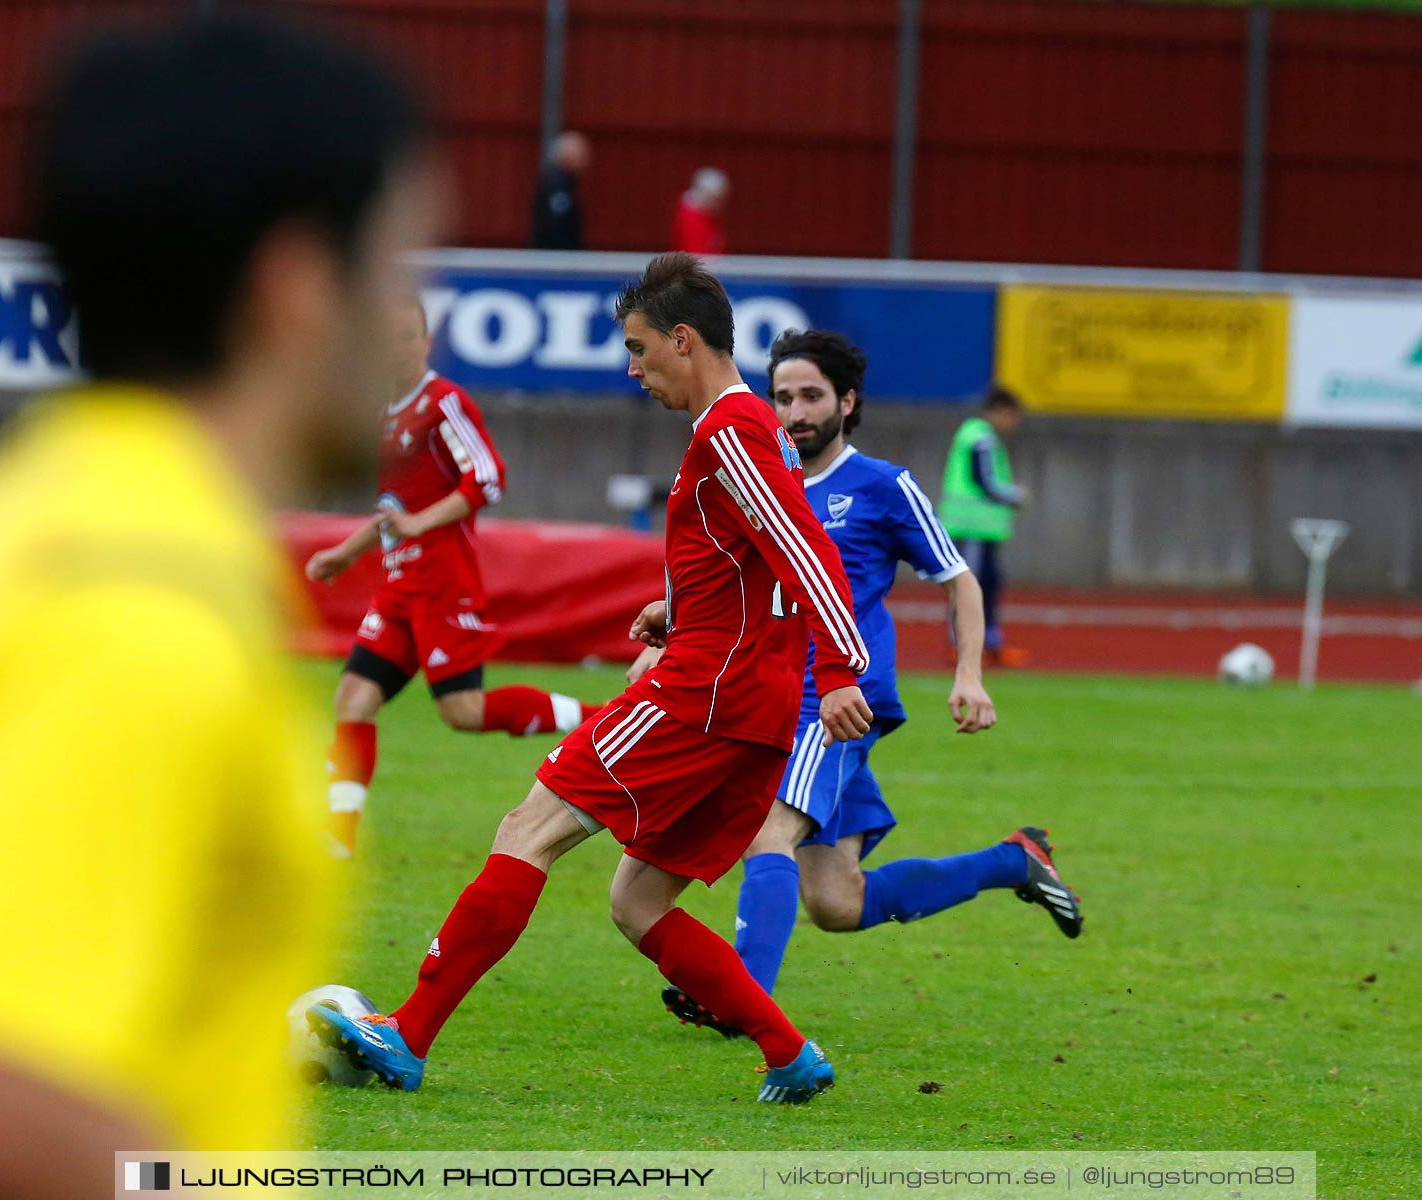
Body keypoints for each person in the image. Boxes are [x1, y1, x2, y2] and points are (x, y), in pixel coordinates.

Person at [0, 15, 432, 1200]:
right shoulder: (139, 611)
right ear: (299, 287)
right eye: (400, 263)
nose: (410, 313)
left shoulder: (5, 523)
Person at [306, 253, 872, 1105]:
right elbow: (749, 556)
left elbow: (803, 547)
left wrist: (838, 672)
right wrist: (676, 606)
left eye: (641, 351)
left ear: (685, 340)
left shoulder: (730, 428)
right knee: (638, 901)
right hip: (744, 702)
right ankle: (789, 1054)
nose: (634, 370)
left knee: (527, 827)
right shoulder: (738, 429)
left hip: (702, 695)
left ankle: (407, 1033)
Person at [637, 331, 1081, 1036]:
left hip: (836, 703)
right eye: (781, 396)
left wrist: (969, 673)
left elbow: (960, 578)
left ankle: (740, 999)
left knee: (765, 834)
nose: (795, 411)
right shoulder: (754, 474)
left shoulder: (882, 486)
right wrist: (674, 624)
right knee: (836, 902)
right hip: (764, 692)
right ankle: (1012, 863)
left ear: (847, 401)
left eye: (811, 395)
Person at [304, 298, 607, 857]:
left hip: (444, 586)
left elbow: (489, 478)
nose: (396, 346)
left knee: (463, 713)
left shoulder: (443, 403)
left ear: (425, 340)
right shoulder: (386, 412)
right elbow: (398, 508)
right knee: (353, 697)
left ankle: (601, 721)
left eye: (407, 334)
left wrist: (417, 523)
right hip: (399, 588)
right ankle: (338, 835)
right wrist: (347, 552)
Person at [939, 386, 1030, 667]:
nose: (1014, 423)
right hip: (971, 528)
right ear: (1001, 411)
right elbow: (985, 482)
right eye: (1013, 416)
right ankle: (960, 645)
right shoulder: (980, 438)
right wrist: (1015, 496)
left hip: (981, 529)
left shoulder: (978, 435)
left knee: (987, 586)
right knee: (970, 587)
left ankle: (989, 644)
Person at [530, 130, 589, 250]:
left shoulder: (564, 183)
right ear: (569, 156)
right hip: (555, 260)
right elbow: (555, 227)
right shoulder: (558, 187)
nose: (586, 161)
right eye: (582, 155)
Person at [672, 166, 729, 256]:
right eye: (716, 199)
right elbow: (696, 254)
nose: (719, 204)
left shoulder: (707, 216)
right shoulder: (690, 219)